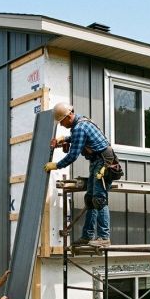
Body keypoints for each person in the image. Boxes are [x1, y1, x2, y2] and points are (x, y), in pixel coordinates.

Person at [44, 102, 117, 247]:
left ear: (69, 116)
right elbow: (78, 138)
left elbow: (72, 156)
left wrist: (56, 165)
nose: (62, 125)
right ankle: (87, 236)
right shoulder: (81, 122)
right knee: (90, 199)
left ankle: (104, 238)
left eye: (62, 122)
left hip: (104, 163)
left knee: (99, 199)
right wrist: (64, 139)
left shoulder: (79, 128)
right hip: (97, 162)